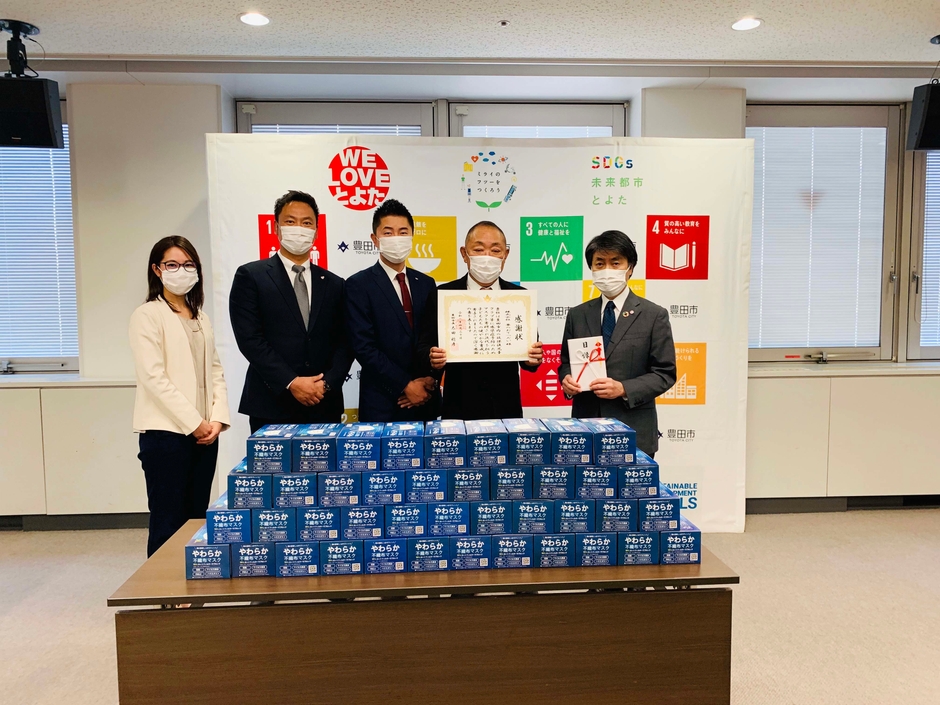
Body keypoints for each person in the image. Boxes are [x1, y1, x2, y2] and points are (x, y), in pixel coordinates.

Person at [129, 236, 229, 557]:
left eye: (188, 265)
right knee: (167, 520)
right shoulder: (147, 315)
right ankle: (163, 587)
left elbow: (215, 371)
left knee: (196, 518)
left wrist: (216, 419)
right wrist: (194, 422)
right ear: (157, 270)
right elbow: (153, 378)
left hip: (205, 435)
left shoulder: (200, 316)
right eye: (172, 265)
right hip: (166, 436)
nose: (181, 271)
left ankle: (190, 583)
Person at [229, 190, 353, 432]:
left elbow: (345, 341)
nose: (299, 229)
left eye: (306, 223)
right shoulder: (251, 276)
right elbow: (249, 339)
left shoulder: (335, 283)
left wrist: (326, 385)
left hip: (323, 404)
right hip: (271, 403)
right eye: (290, 221)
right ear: (276, 228)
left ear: (316, 231)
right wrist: (291, 381)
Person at [558, 230, 676, 456]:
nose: (607, 270)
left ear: (630, 268)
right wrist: (567, 380)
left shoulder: (653, 315)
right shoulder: (577, 315)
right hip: (586, 430)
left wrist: (623, 389)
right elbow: (566, 362)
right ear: (591, 269)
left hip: (633, 430)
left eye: (615, 263)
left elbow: (665, 373)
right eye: (599, 264)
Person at [417, 220, 543, 420]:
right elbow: (423, 346)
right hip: (459, 407)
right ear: (464, 253)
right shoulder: (442, 294)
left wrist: (532, 358)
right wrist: (433, 358)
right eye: (478, 249)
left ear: (505, 255)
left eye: (495, 250)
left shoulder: (520, 297)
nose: (487, 257)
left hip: (505, 408)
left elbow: (529, 358)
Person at [345, 199, 440, 422]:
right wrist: (405, 385)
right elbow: (363, 347)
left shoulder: (426, 284)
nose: (396, 238)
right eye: (388, 233)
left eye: (403, 232)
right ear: (375, 239)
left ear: (412, 237)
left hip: (425, 400)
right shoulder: (358, 285)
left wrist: (430, 379)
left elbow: (436, 338)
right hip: (382, 403)